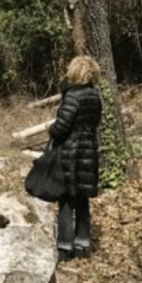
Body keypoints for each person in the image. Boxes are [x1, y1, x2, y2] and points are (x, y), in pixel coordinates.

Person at [48, 55, 103, 262]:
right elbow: (94, 123)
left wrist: (52, 130)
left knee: (65, 201)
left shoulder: (72, 96)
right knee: (82, 199)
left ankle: (65, 247)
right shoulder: (95, 96)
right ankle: (83, 243)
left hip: (70, 153)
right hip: (88, 152)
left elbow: (62, 126)